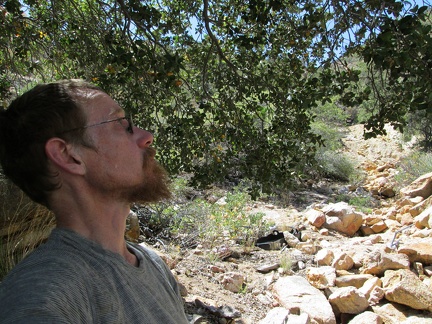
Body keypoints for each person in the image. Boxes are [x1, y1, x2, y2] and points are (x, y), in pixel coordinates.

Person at [0, 79, 189, 323]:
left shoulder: (152, 264)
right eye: (123, 126)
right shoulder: (43, 295)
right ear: (68, 156)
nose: (147, 137)